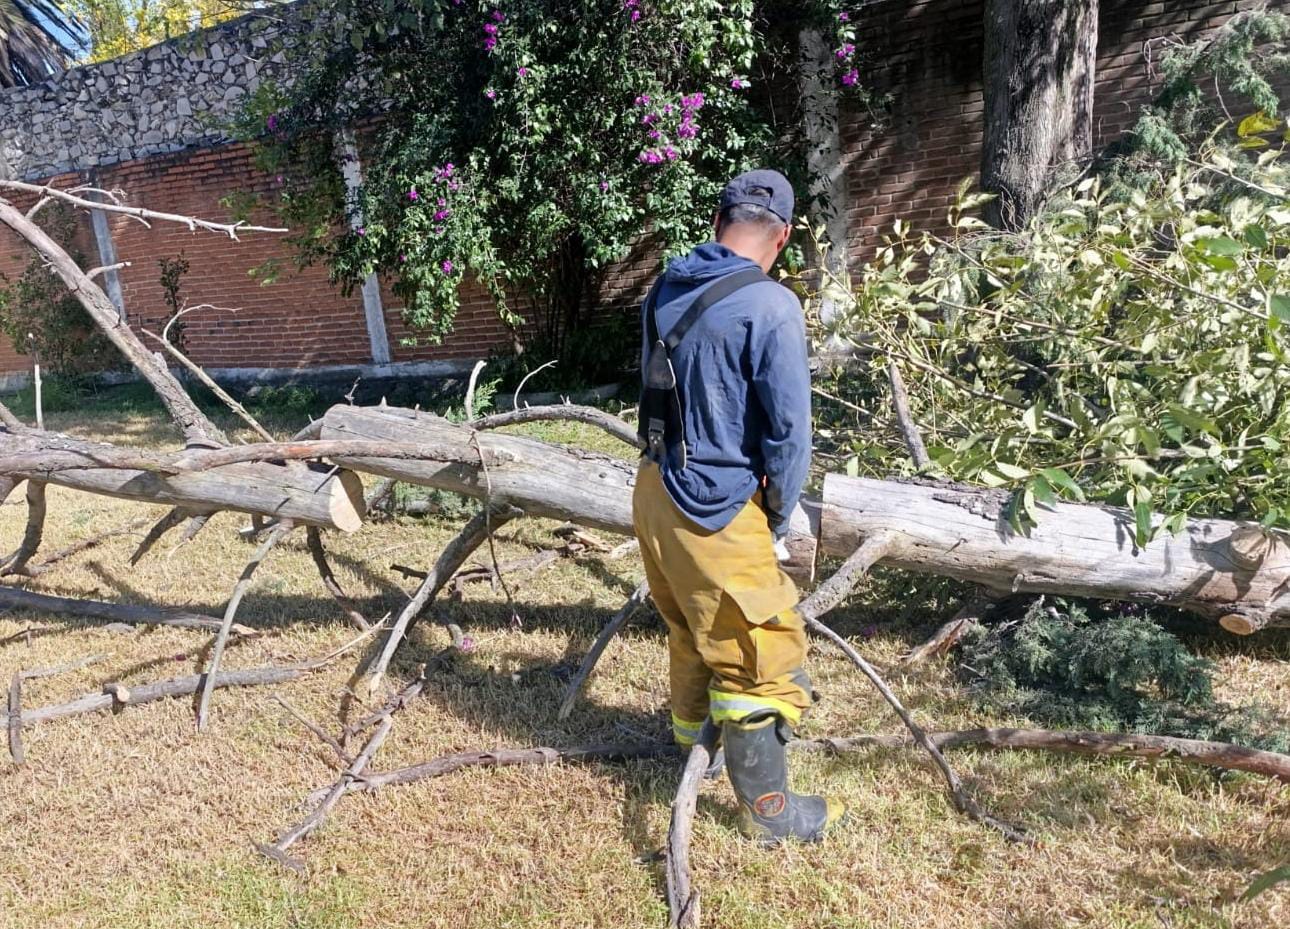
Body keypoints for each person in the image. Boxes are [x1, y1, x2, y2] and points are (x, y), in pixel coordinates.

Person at [632, 168, 843, 843]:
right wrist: (776, 516)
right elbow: (788, 436)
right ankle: (773, 814)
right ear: (780, 235)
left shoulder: (665, 285)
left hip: (654, 490)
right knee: (762, 650)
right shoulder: (772, 305)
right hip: (716, 505)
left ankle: (696, 745)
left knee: (694, 629)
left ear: (719, 220)